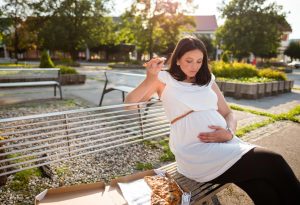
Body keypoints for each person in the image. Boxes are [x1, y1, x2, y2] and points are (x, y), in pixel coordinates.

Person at [125, 36, 300, 204]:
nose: (195, 66)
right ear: (177, 59)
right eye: (189, 60)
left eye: (199, 61)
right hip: (196, 152)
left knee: (262, 189)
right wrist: (150, 78)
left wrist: (229, 134)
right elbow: (130, 105)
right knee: (273, 160)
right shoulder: (163, 79)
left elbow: (228, 113)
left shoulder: (207, 80)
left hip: (226, 145)